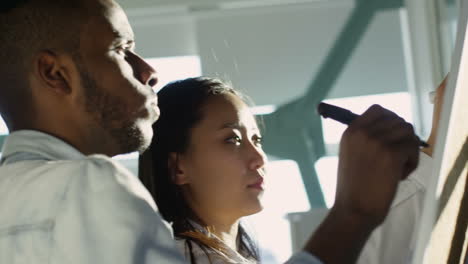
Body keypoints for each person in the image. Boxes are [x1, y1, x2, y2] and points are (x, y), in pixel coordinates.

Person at [0, 0, 422, 263]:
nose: (147, 71)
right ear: (55, 74)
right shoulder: (89, 189)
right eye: (120, 50)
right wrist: (353, 212)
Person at [139, 77, 440, 263]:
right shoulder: (178, 257)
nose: (258, 157)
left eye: (256, 139)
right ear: (178, 167)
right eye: (232, 139)